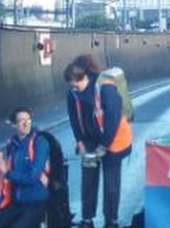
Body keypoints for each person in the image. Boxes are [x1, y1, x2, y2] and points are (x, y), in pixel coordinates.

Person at [65, 55, 132, 228]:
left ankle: (111, 222)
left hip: (113, 142)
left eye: (76, 85)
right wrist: (79, 141)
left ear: (85, 77)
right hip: (89, 142)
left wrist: (104, 146)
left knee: (111, 185)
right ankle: (87, 220)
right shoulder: (73, 93)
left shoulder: (105, 89)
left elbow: (113, 119)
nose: (74, 89)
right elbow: (74, 118)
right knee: (88, 181)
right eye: (71, 86)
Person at [0, 108, 50, 228]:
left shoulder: (40, 142)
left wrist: (7, 172)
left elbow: (33, 177)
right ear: (13, 125)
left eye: (28, 119)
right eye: (22, 120)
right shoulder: (12, 144)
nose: (26, 123)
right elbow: (7, 166)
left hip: (36, 201)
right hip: (17, 202)